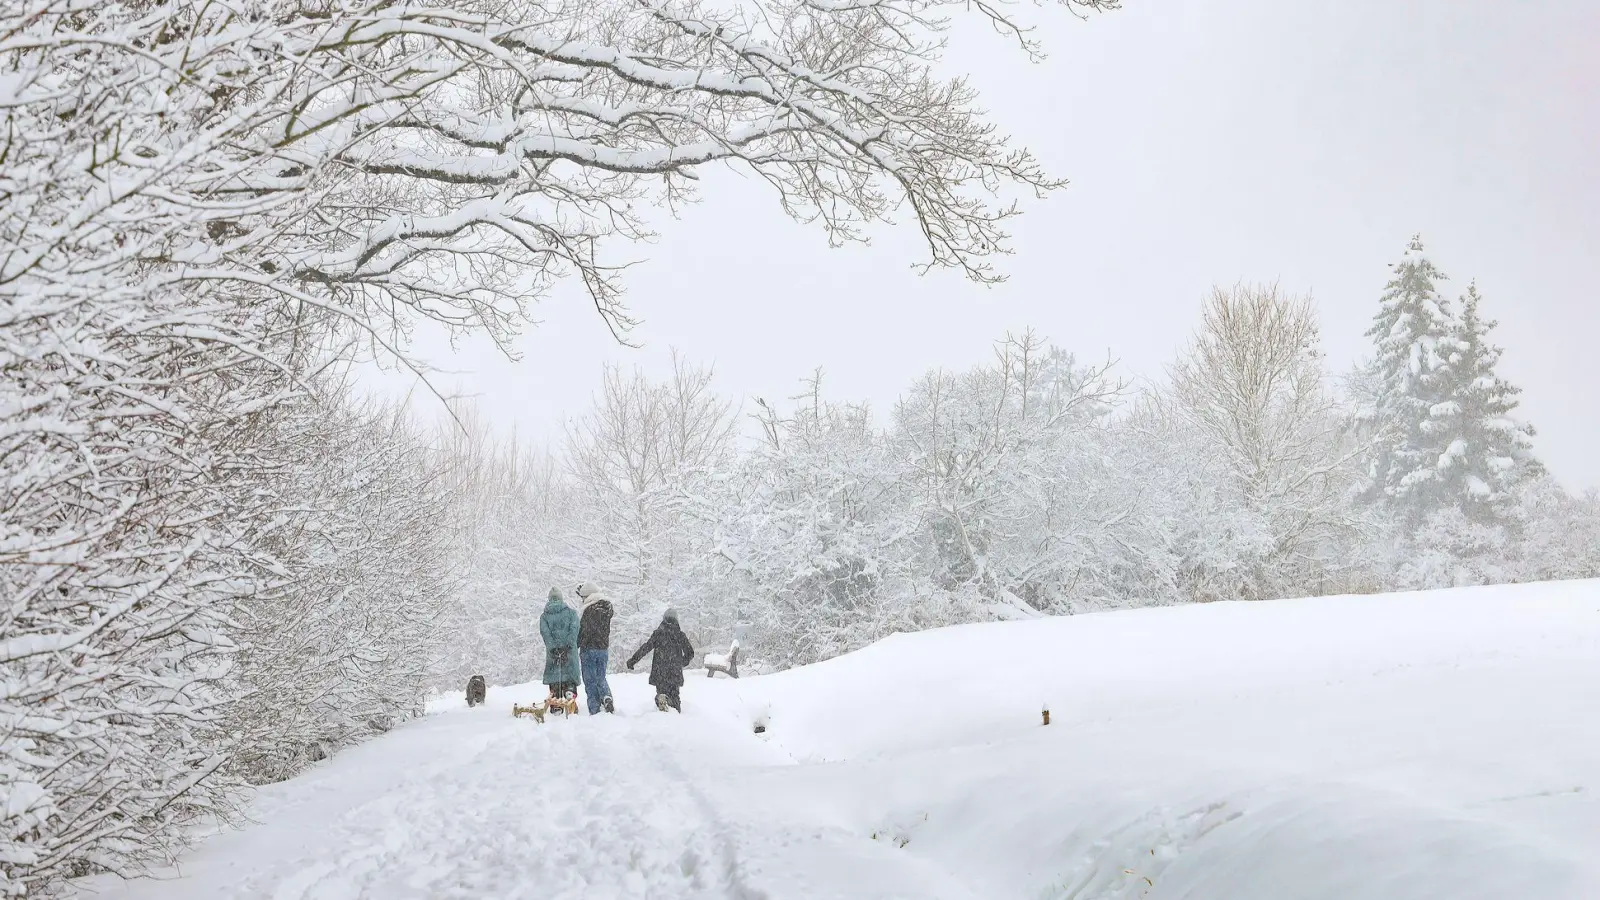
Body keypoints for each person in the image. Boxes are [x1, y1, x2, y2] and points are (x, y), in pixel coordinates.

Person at [626, 607, 695, 712]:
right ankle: (674, 708)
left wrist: (633, 660)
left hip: (660, 671)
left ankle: (661, 699)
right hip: (674, 672)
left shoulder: (658, 634)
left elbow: (646, 647)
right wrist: (681, 663)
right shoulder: (680, 635)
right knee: (675, 696)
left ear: (664, 619)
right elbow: (690, 653)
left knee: (661, 692)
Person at [575, 582, 615, 714]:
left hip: (588, 649)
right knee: (601, 677)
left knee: (590, 681)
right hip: (603, 649)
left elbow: (584, 632)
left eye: (583, 597)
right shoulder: (607, 608)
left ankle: (595, 710)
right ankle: (606, 696)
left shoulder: (589, 611)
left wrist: (576, 644)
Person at [539, 587, 580, 703]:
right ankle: (570, 692)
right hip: (569, 653)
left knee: (555, 676)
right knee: (569, 675)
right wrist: (567, 647)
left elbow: (545, 633)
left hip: (553, 655)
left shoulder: (544, 616)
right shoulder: (571, 613)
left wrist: (553, 648)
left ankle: (555, 699)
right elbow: (574, 630)